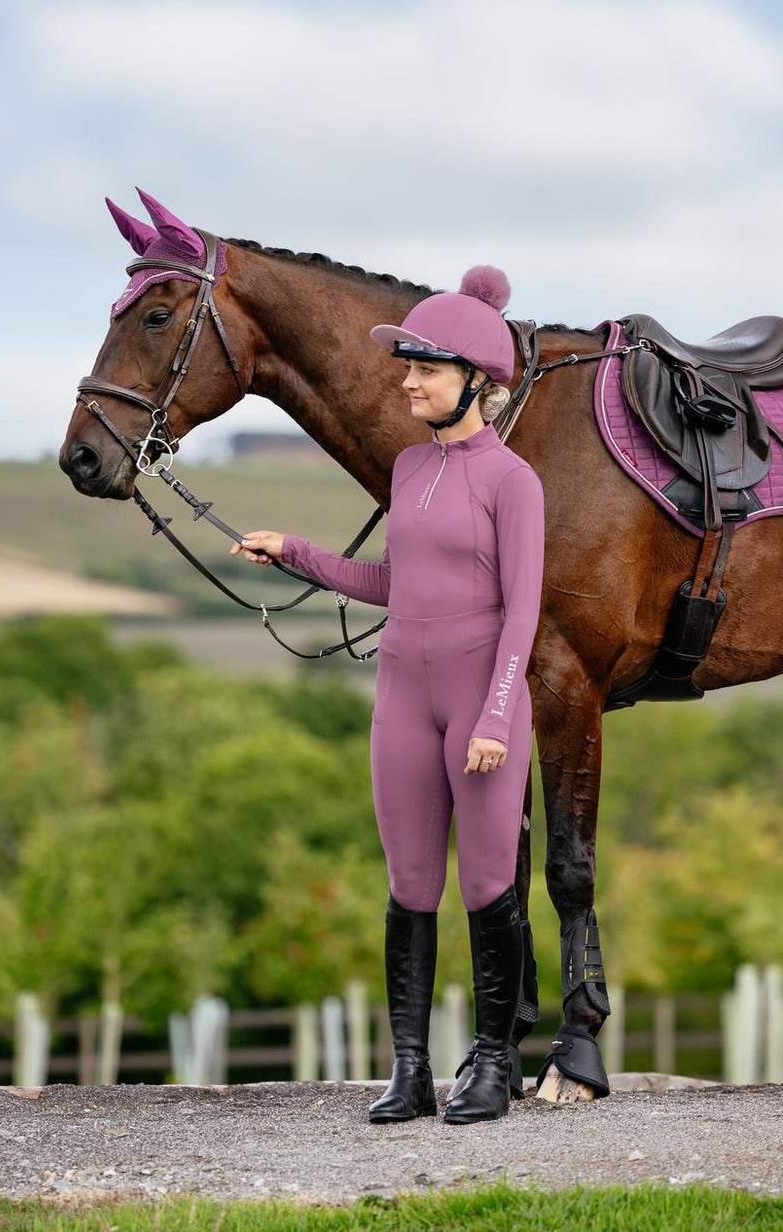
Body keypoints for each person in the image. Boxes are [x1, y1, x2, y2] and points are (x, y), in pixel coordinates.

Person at [232, 266, 545, 1125]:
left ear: (476, 379)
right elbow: (392, 580)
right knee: (410, 883)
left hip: (483, 700)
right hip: (403, 694)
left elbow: (524, 609)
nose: (406, 379)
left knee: (486, 883)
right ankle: (410, 1068)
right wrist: (294, 550)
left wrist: (494, 714)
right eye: (406, 363)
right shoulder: (409, 468)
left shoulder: (512, 480)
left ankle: (490, 1063)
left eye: (425, 366)